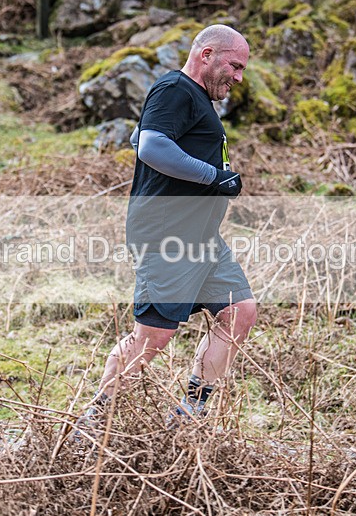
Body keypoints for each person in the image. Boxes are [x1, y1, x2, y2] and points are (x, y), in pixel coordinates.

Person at [82, 24, 257, 427]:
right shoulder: (176, 88)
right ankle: (92, 424)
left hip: (201, 240)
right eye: (234, 65)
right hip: (167, 238)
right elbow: (151, 146)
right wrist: (214, 177)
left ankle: (187, 417)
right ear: (207, 54)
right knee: (152, 338)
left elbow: (143, 136)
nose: (238, 77)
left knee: (239, 310)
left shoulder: (189, 99)